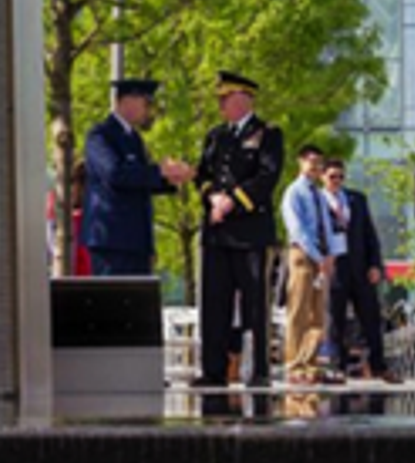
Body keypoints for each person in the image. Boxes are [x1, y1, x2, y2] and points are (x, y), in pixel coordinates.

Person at [192, 71, 283, 387]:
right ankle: (213, 370)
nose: (221, 104)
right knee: (214, 302)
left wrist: (233, 201)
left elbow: (267, 176)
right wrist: (212, 198)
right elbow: (202, 175)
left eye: (225, 98)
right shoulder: (216, 136)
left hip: (250, 232)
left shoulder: (268, 134)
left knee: (254, 304)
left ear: (244, 99)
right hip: (217, 232)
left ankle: (258, 370)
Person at [80, 78, 190, 276]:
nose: (148, 110)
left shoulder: (134, 138)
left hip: (136, 239)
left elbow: (139, 179)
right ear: (127, 101)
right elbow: (115, 174)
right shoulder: (100, 136)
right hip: (112, 239)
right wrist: (159, 172)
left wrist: (169, 179)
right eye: (146, 103)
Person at [323, 159, 390, 382]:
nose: (337, 181)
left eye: (340, 176)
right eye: (332, 176)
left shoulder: (356, 200)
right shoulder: (318, 201)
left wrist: (375, 265)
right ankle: (338, 365)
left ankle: (379, 365)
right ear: (323, 177)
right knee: (336, 319)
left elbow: (369, 235)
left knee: (371, 317)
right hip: (335, 268)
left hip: (360, 268)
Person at [278, 144, 333, 384]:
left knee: (317, 314)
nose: (315, 167)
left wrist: (329, 255)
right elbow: (298, 230)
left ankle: (310, 362)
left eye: (319, 163)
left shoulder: (319, 194)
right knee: (298, 310)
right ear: (301, 163)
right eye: (311, 162)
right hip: (302, 255)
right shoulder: (294, 192)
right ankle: (294, 364)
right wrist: (317, 256)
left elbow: (327, 227)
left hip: (321, 257)